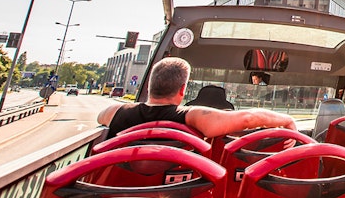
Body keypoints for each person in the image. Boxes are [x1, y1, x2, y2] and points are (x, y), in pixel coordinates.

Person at [96, 57, 296, 139]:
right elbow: (249, 118)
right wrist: (287, 120)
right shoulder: (191, 117)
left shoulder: (114, 112)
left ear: (150, 86)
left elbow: (99, 119)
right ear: (182, 89)